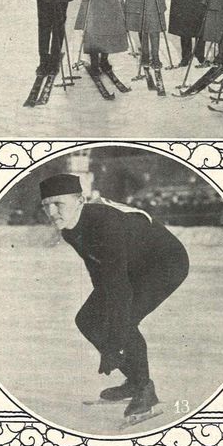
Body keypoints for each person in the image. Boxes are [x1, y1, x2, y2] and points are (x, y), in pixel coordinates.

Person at [38, 172, 190, 421]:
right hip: (131, 264)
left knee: (124, 321)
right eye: (46, 206)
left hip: (165, 263)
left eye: (59, 204)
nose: (52, 212)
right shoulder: (69, 228)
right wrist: (109, 341)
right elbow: (98, 270)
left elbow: (119, 288)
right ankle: (135, 381)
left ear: (80, 201)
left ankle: (144, 391)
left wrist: (114, 345)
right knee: (88, 320)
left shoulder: (105, 224)